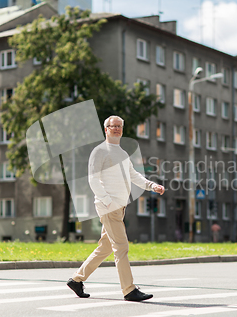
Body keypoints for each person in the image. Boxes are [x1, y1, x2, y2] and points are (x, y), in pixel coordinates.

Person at [67, 115, 165, 302]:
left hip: (119, 207)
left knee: (105, 248)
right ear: (106, 129)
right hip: (109, 207)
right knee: (121, 247)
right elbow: (93, 179)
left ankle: (76, 280)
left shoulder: (122, 153)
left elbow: (134, 175)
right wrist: (107, 201)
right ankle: (129, 290)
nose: (117, 129)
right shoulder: (100, 151)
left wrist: (152, 186)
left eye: (120, 126)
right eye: (113, 126)